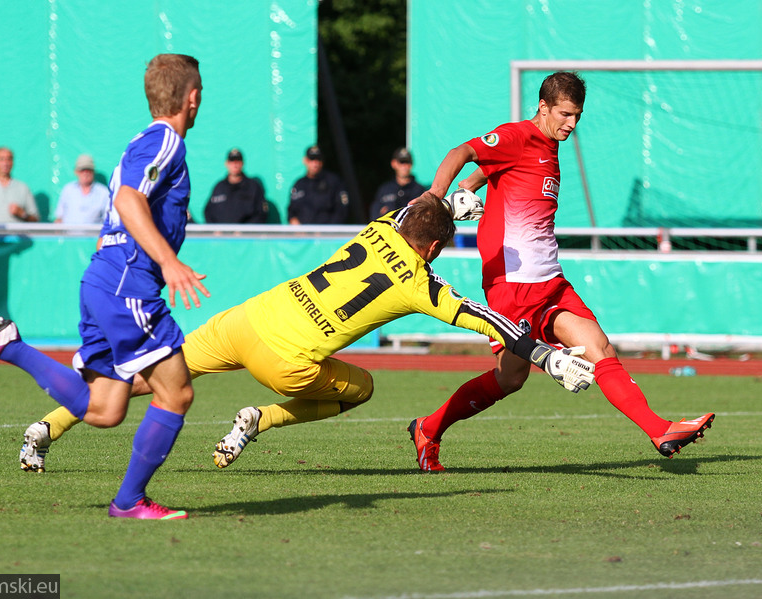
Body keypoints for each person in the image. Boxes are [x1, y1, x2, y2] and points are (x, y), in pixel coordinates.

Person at [10, 196, 594, 474]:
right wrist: (545, 355)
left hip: (246, 319)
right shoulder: (424, 284)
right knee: (361, 388)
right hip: (287, 360)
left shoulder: (378, 227)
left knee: (142, 379)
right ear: (436, 248)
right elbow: (489, 321)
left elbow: (409, 212)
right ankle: (260, 419)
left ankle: (45, 427)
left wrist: (446, 204)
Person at [407, 71, 715, 471]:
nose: (571, 124)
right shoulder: (517, 136)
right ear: (543, 107)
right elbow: (460, 152)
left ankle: (661, 430)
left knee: (600, 348)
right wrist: (437, 200)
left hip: (550, 281)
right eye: (565, 114)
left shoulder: (550, 144)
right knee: (509, 378)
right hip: (512, 286)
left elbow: (487, 170)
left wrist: (469, 188)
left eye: (578, 116)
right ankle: (429, 428)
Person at [0, 53, 209, 520]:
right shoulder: (168, 141)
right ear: (192, 97)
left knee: (106, 409)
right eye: (200, 91)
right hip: (130, 280)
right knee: (178, 393)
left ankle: (10, 346)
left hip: (105, 278)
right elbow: (129, 199)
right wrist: (168, 261)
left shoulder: (144, 140)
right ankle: (128, 502)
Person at [203, 148, 269, 223]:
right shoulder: (219, 187)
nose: (235, 165)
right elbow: (208, 212)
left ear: (242, 163)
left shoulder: (253, 187)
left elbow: (261, 214)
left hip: (247, 234)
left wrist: (244, 231)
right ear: (226, 164)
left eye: (238, 161)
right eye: (232, 161)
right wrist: (216, 230)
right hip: (221, 234)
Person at [287, 145, 349, 225]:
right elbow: (291, 211)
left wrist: (326, 230)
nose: (315, 164)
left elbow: (342, 211)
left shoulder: (333, 182)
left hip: (327, 234)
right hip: (303, 235)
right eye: (312, 159)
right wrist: (296, 225)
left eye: (318, 159)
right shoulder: (299, 184)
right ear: (305, 161)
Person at [370, 147, 425, 220]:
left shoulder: (418, 190)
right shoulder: (385, 189)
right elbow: (374, 216)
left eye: (408, 162)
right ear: (394, 164)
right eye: (402, 162)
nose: (405, 166)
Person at [54, 154, 109, 224]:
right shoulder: (67, 190)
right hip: (69, 234)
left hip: (95, 234)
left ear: (93, 171)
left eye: (88, 170)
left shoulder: (103, 192)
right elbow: (59, 218)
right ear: (76, 172)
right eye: (82, 170)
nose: (85, 173)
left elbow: (108, 220)